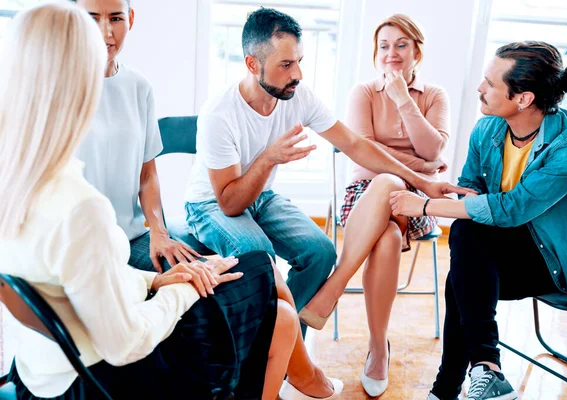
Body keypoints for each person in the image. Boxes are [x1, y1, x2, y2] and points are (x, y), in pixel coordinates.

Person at [0, 3, 342, 399]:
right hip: (101, 381)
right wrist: (180, 292)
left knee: (271, 301)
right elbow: (125, 343)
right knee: (264, 280)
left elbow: (80, 279)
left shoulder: (18, 181)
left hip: (44, 373)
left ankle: (300, 376)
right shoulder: (81, 207)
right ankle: (304, 377)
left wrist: (159, 279)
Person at [184, 8, 473, 335]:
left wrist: (423, 182)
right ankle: (277, 351)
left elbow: (354, 144)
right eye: (286, 65)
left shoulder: (297, 95)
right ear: (253, 64)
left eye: (299, 62)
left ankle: (279, 341)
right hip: (210, 205)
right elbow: (229, 203)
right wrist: (268, 159)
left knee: (320, 253)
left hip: (261, 197)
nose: (298, 75)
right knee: (260, 259)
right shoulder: (220, 114)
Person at [387, 41, 567, 400]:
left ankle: (447, 388)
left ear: (523, 99)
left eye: (489, 82)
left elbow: (512, 209)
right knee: (468, 247)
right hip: (496, 253)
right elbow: (471, 192)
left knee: (463, 274)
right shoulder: (488, 130)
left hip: (554, 265)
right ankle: (486, 368)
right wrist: (464, 200)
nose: (479, 89)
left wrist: (423, 206)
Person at [299, 14, 450, 397]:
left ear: (417, 50)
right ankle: (378, 347)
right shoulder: (363, 92)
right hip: (366, 195)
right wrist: (423, 168)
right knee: (384, 226)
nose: (391, 53)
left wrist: (402, 100)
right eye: (384, 45)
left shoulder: (433, 96)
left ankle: (337, 282)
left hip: (415, 202)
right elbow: (364, 157)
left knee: (391, 180)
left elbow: (434, 148)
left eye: (401, 44)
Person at [73, 0, 200, 273]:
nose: (106, 32)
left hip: (130, 239)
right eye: (92, 18)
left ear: (130, 18)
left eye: (116, 19)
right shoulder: (56, 86)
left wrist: (159, 231)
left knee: (203, 279)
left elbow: (147, 174)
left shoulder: (138, 86)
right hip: (78, 245)